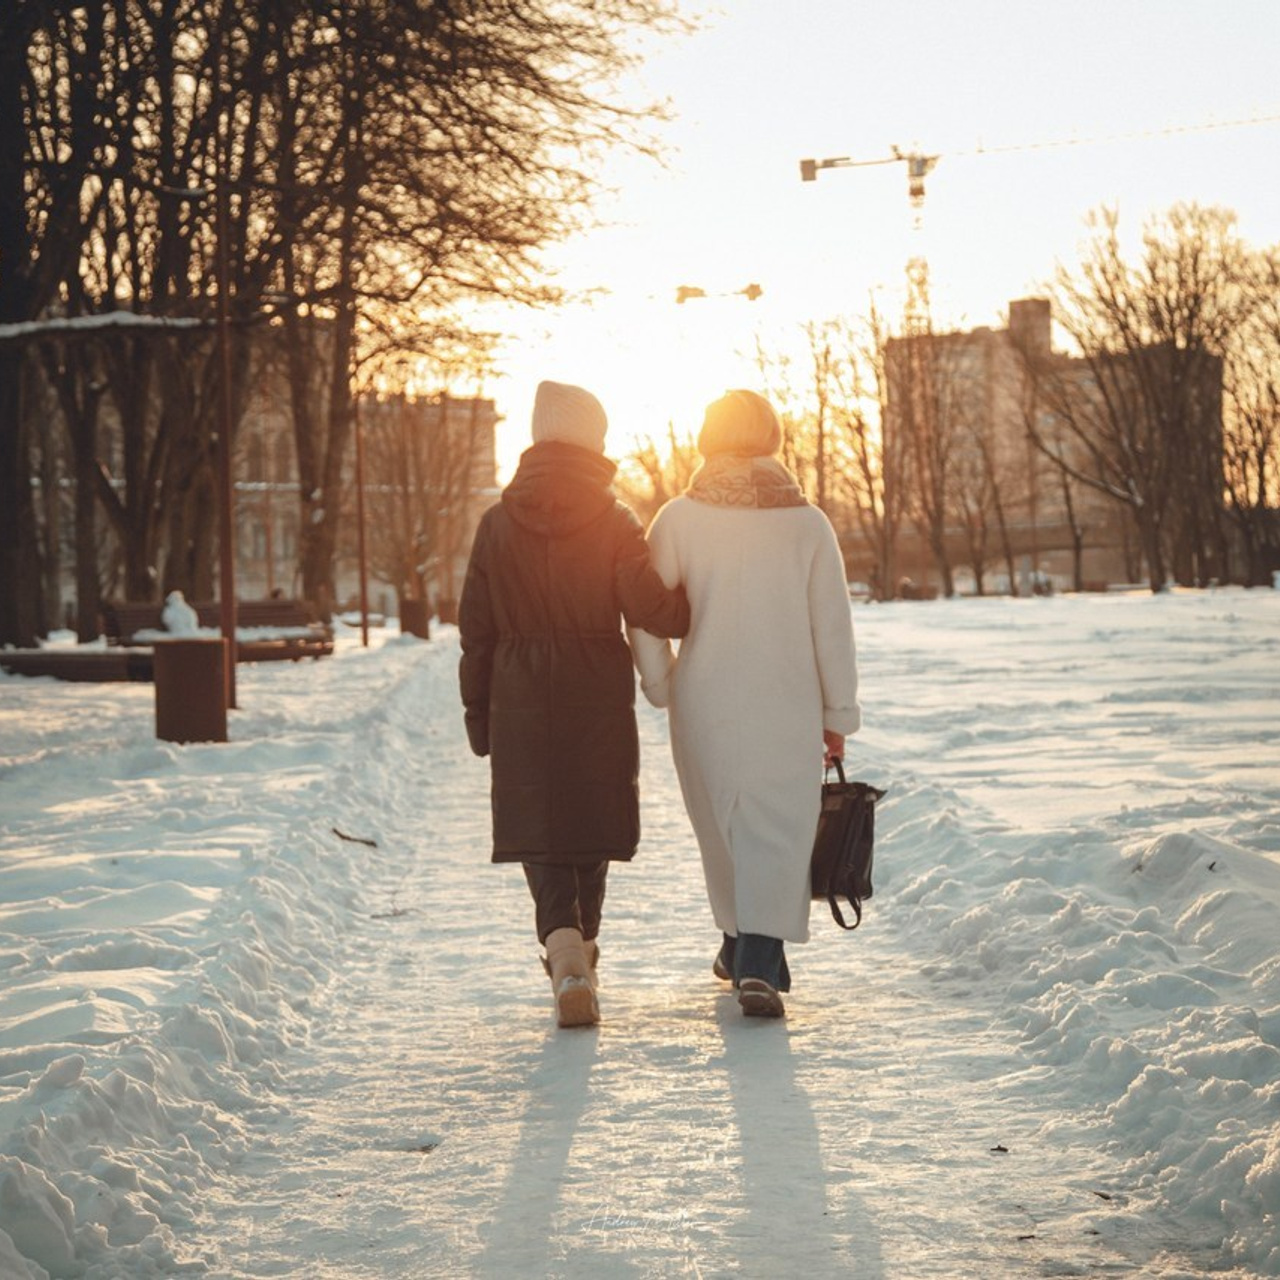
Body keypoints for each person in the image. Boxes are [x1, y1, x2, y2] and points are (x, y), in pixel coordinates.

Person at [458, 381, 691, 1028]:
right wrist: (702, 598)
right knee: (590, 821)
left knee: (542, 825)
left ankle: (564, 954)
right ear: (594, 439)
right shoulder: (614, 519)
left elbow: (475, 630)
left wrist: (479, 715)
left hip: (519, 692)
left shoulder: (496, 525)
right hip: (595, 687)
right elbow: (650, 608)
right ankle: (582, 949)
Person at [629, 390, 860, 1018]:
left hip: (702, 699)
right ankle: (754, 956)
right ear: (772, 439)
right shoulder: (808, 523)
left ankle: (744, 950)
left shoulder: (677, 519)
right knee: (777, 832)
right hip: (788, 701)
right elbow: (832, 627)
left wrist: (661, 681)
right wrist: (837, 715)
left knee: (723, 827)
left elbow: (646, 616)